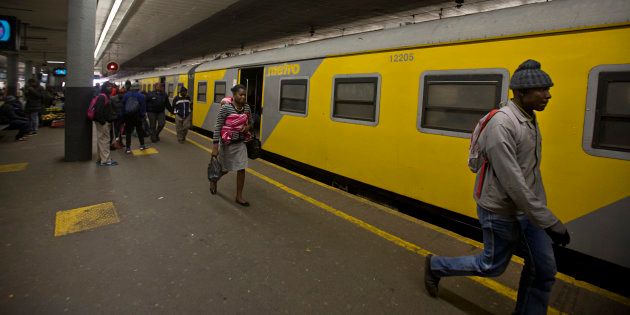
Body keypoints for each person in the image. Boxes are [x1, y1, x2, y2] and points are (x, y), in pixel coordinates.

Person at [424, 60, 570, 314]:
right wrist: (548, 221)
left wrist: (540, 212)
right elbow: (512, 180)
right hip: (500, 210)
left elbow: (529, 171)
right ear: (521, 93)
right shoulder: (502, 125)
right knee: (492, 265)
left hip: (528, 210)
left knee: (544, 270)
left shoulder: (529, 118)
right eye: (541, 89)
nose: (548, 94)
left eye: (548, 88)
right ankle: (436, 266)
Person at [210, 84, 253, 206]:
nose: (243, 97)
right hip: (227, 144)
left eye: (245, 95)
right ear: (234, 95)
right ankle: (214, 179)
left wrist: (248, 127)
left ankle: (239, 196)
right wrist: (215, 146)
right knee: (224, 169)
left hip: (240, 143)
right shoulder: (226, 108)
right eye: (241, 94)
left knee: (241, 168)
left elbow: (251, 121)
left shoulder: (246, 108)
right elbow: (218, 126)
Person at [92, 83, 118, 166]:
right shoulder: (103, 97)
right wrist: (103, 121)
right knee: (105, 140)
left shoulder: (104, 96)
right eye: (109, 87)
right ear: (105, 88)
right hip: (102, 122)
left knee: (101, 140)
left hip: (101, 121)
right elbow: (99, 110)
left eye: (111, 87)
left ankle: (101, 159)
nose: (111, 89)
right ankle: (106, 160)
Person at [121, 82, 148, 154]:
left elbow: (123, 106)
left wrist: (123, 116)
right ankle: (142, 145)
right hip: (137, 116)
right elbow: (143, 107)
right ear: (138, 88)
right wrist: (142, 115)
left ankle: (128, 148)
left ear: (131, 88)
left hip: (128, 116)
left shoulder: (126, 95)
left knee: (128, 132)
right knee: (140, 131)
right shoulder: (141, 96)